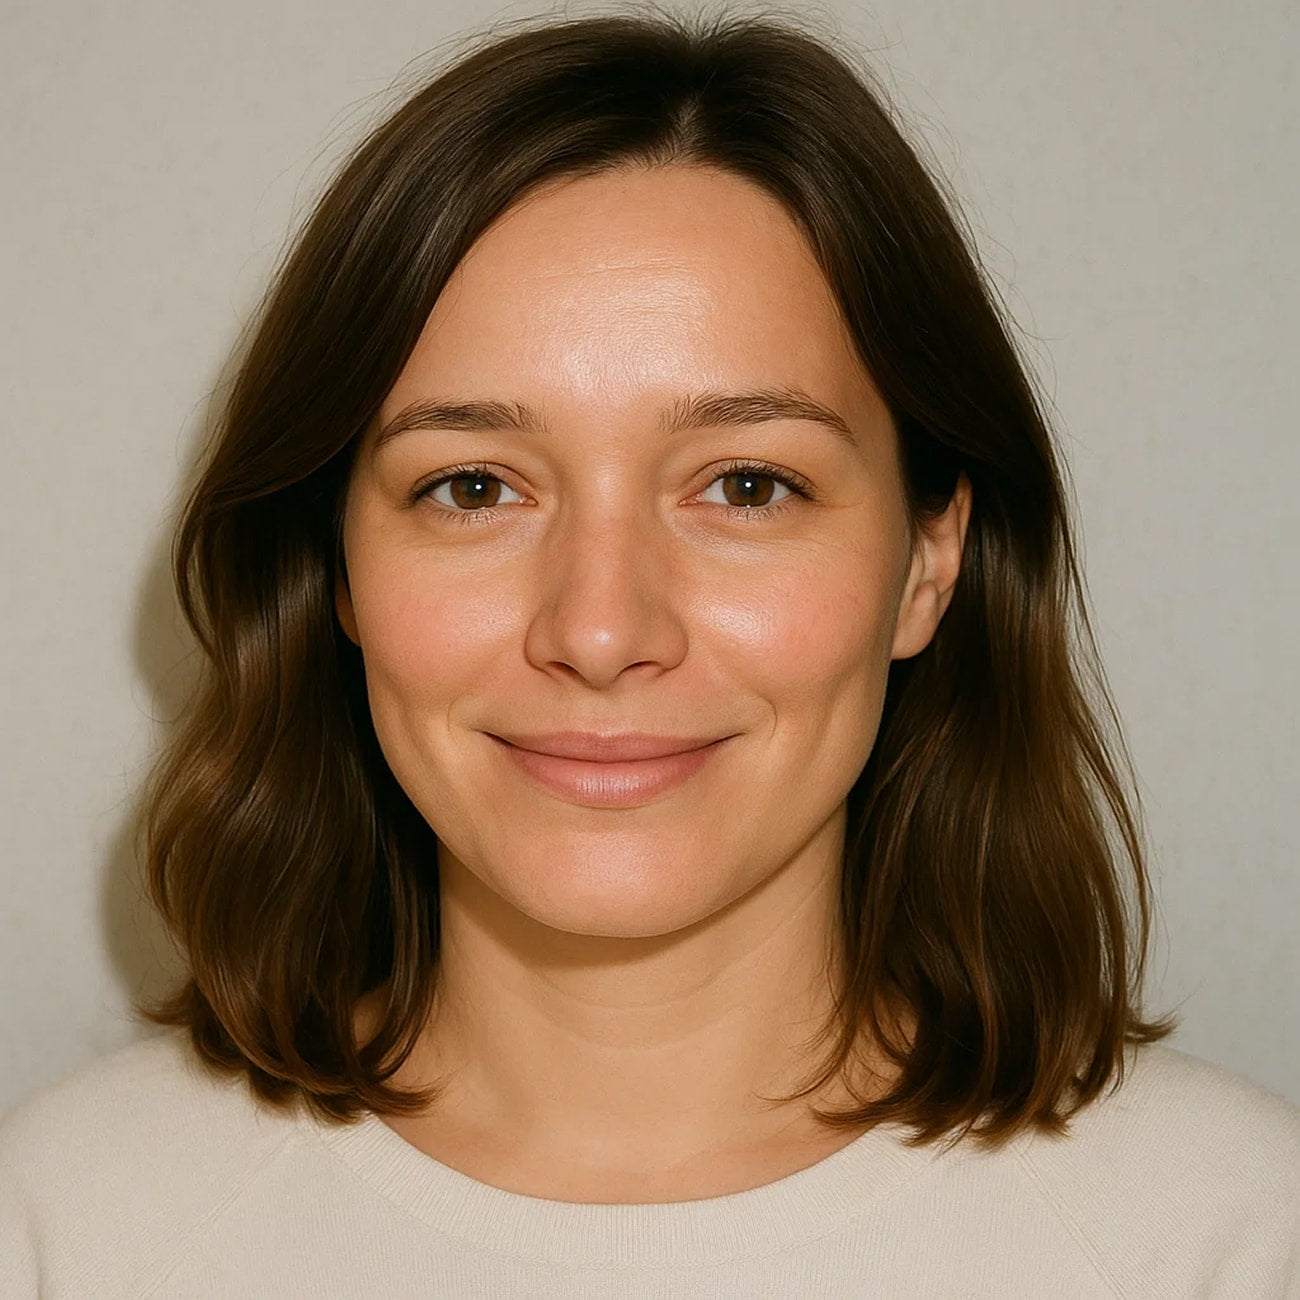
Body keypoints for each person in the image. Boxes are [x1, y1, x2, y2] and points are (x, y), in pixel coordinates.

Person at [2, 9, 1296, 1297]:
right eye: (472, 488)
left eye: (746, 485)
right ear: (336, 566)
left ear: (928, 559)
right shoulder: (64, 1231)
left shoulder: (1232, 1241)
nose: (601, 631)